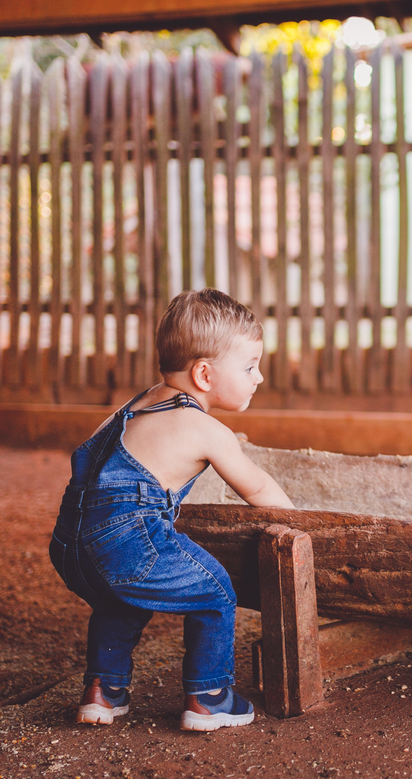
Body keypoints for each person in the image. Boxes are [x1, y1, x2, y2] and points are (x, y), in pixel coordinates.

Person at [49, 288, 295, 732]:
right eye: (250, 367)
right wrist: (301, 523)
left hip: (69, 545)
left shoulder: (136, 405)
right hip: (123, 543)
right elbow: (257, 486)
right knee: (215, 591)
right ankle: (208, 697)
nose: (259, 377)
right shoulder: (204, 428)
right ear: (203, 373)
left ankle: (103, 692)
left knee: (119, 598)